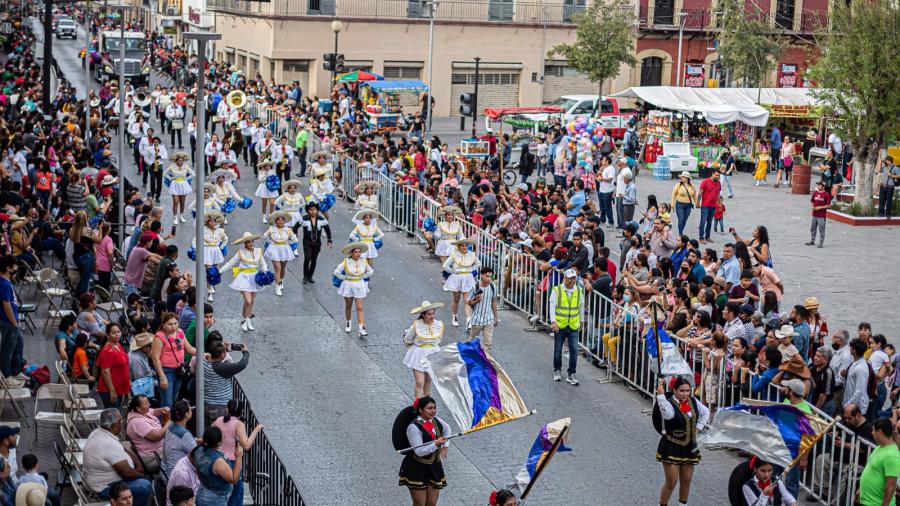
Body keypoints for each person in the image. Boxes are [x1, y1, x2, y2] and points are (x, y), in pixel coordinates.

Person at [655, 377, 709, 506]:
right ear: (674, 390)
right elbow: (667, 415)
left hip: (689, 446)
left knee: (686, 480)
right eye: (682, 391)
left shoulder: (693, 402)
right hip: (672, 445)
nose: (685, 394)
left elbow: (705, 412)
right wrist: (660, 396)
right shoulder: (668, 404)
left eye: (688, 391)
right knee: (672, 481)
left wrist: (698, 428)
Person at [83, 409, 152, 505]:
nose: (122, 422)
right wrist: (141, 475)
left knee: (143, 481)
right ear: (115, 426)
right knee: (145, 486)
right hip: (103, 487)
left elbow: (124, 450)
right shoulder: (107, 443)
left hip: (100, 481)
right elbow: (127, 473)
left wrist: (137, 463)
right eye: (120, 420)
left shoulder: (100, 432)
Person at [397, 396, 451, 506]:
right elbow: (419, 451)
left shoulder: (437, 421)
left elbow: (447, 429)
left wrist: (445, 446)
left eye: (434, 408)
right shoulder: (413, 427)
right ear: (421, 410)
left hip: (434, 467)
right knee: (419, 504)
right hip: (417, 468)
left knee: (431, 503)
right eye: (429, 408)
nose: (433, 411)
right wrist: (436, 444)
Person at [211, 399, 263, 506]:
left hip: (217, 459)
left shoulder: (219, 420)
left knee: (225, 492)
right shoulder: (238, 424)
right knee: (236, 494)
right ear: (242, 411)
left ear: (227, 409)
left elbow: (209, 435)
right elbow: (246, 445)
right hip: (232, 462)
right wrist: (256, 429)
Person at [221, 232, 270, 332]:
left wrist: (265, 273)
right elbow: (231, 263)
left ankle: (247, 321)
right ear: (245, 243)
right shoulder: (241, 252)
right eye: (248, 242)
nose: (251, 244)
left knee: (251, 301)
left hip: (255, 278)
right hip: (244, 278)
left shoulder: (258, 251)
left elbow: (263, 264)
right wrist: (219, 271)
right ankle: (244, 319)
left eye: (252, 241)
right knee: (247, 301)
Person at [151, 312, 197, 408]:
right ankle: (164, 422)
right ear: (163, 325)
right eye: (170, 324)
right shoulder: (159, 337)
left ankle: (170, 421)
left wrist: (203, 354)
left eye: (175, 323)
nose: (173, 327)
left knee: (174, 398)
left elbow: (189, 349)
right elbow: (155, 358)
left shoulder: (180, 332)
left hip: (178, 370)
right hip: (166, 372)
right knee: (167, 402)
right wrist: (162, 377)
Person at [404, 301, 445, 398]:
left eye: (433, 313)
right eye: (429, 314)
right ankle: (417, 406)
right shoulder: (416, 325)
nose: (432, 316)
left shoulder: (438, 325)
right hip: (419, 355)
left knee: (428, 381)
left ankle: (426, 404)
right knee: (419, 382)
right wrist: (414, 348)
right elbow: (408, 339)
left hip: (431, 355)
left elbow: (438, 339)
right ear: (423, 315)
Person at [193, 427, 243, 506]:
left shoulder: (198, 451)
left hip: (202, 491)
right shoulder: (218, 462)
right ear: (219, 443)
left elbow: (197, 470)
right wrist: (239, 457)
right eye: (222, 437)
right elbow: (233, 479)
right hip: (215, 499)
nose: (223, 437)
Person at [550, 269, 584, 386]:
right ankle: (557, 370)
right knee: (558, 350)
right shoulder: (557, 290)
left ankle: (571, 374)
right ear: (565, 278)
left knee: (574, 350)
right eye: (570, 278)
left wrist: (582, 321)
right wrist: (553, 321)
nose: (572, 280)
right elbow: (552, 306)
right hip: (560, 324)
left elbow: (581, 307)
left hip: (573, 325)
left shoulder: (579, 291)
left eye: (574, 278)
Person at [334, 242, 374, 336]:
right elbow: (336, 272)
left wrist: (363, 276)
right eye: (356, 252)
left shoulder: (364, 261)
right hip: (348, 285)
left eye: (359, 252)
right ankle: (348, 322)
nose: (358, 254)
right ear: (351, 253)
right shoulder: (346, 262)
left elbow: (370, 271)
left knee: (359, 307)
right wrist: (345, 278)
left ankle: (361, 328)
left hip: (359, 285)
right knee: (349, 306)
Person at [857, 417, 900, 506]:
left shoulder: (891, 455)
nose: (872, 433)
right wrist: (860, 490)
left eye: (873, 430)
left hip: (876, 503)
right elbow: (871, 469)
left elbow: (891, 484)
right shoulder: (880, 447)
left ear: (880, 432)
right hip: (866, 501)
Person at [126, 394, 171, 473]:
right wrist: (171, 421)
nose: (149, 405)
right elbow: (158, 436)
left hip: (160, 451)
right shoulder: (138, 422)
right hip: (152, 458)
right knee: (180, 456)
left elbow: (154, 411)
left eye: (148, 402)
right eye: (146, 404)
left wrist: (163, 409)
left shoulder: (142, 411)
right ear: (138, 408)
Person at [442, 238, 480, 328]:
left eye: (466, 245)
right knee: (456, 299)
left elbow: (478, 263)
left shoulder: (471, 254)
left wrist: (471, 270)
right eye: (462, 245)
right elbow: (445, 266)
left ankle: (468, 321)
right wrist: (453, 271)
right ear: (458, 246)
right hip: (457, 279)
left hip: (468, 278)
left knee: (467, 300)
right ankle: (454, 316)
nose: (464, 247)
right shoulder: (454, 255)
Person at [263, 211, 299, 297]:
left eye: (281, 220)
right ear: (275, 221)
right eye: (278, 220)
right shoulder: (271, 229)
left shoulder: (288, 230)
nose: (280, 221)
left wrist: (287, 243)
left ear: (284, 221)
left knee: (283, 268)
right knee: (277, 269)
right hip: (274, 249)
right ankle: (277, 287)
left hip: (285, 249)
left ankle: (281, 280)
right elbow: (264, 236)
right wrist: (270, 242)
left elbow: (295, 239)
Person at [295, 202, 333, 283]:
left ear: (317, 210)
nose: (312, 211)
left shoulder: (322, 219)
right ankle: (305, 276)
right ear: (308, 211)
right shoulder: (304, 219)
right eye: (311, 210)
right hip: (307, 242)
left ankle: (310, 276)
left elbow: (327, 230)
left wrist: (329, 240)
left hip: (317, 243)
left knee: (314, 260)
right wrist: (294, 237)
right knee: (307, 258)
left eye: (314, 209)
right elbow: (295, 227)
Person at [0, 256, 24, 379]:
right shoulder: (3, 284)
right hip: (9, 322)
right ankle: (7, 375)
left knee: (19, 345)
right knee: (7, 350)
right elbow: (6, 306)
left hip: (14, 321)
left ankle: (16, 371)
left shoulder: (6, 282)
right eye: (14, 266)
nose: (16, 268)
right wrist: (14, 323)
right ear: (8, 268)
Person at [97, 323, 131, 408]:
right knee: (113, 417)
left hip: (118, 387)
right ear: (108, 335)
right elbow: (105, 371)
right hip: (109, 390)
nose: (117, 334)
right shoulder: (108, 351)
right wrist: (112, 391)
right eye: (114, 333)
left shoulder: (117, 345)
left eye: (118, 332)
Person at [162, 400, 198, 477]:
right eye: (190, 409)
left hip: (165, 472)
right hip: (175, 477)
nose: (191, 410)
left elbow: (181, 443)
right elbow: (198, 455)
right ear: (186, 414)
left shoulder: (171, 426)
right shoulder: (184, 435)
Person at [466, 267, 498, 351]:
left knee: (488, 344)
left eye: (491, 277)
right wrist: (476, 301)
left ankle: (486, 362)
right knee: (472, 343)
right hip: (477, 320)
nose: (489, 279)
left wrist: (495, 317)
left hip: (488, 319)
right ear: (482, 276)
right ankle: (471, 361)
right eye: (487, 276)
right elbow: (469, 302)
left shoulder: (493, 287)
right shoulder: (475, 287)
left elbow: (494, 302)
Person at [163, 152, 194, 225]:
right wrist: (171, 178)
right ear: (176, 161)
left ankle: (181, 216)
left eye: (181, 160)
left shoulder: (186, 167)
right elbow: (164, 174)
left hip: (183, 184)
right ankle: (175, 217)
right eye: (179, 160)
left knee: (182, 202)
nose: (180, 162)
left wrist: (186, 178)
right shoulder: (172, 166)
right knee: (176, 201)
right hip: (175, 184)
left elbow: (193, 174)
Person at [670, 172, 698, 236]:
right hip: (680, 205)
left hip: (688, 206)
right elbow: (673, 194)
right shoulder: (678, 185)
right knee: (681, 219)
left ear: (687, 178)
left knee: (685, 220)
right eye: (681, 177)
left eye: (683, 177)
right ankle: (680, 233)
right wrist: (672, 204)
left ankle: (681, 230)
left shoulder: (692, 186)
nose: (682, 178)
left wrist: (697, 203)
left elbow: (694, 195)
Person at [697, 170, 721, 244]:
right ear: (712, 174)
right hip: (705, 205)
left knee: (710, 222)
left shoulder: (718, 183)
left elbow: (718, 194)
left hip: (713, 206)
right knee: (703, 221)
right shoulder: (705, 181)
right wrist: (698, 202)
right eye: (716, 175)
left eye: (719, 176)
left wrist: (720, 203)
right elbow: (700, 192)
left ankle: (707, 237)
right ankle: (701, 238)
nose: (717, 177)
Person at [806, 180, 831, 248]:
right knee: (813, 228)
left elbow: (828, 205)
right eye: (818, 185)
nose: (818, 186)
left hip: (821, 216)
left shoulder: (826, 194)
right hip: (814, 214)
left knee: (821, 229)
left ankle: (821, 242)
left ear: (823, 186)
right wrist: (813, 207)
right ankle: (812, 240)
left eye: (820, 185)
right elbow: (812, 201)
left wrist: (820, 207)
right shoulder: (815, 193)